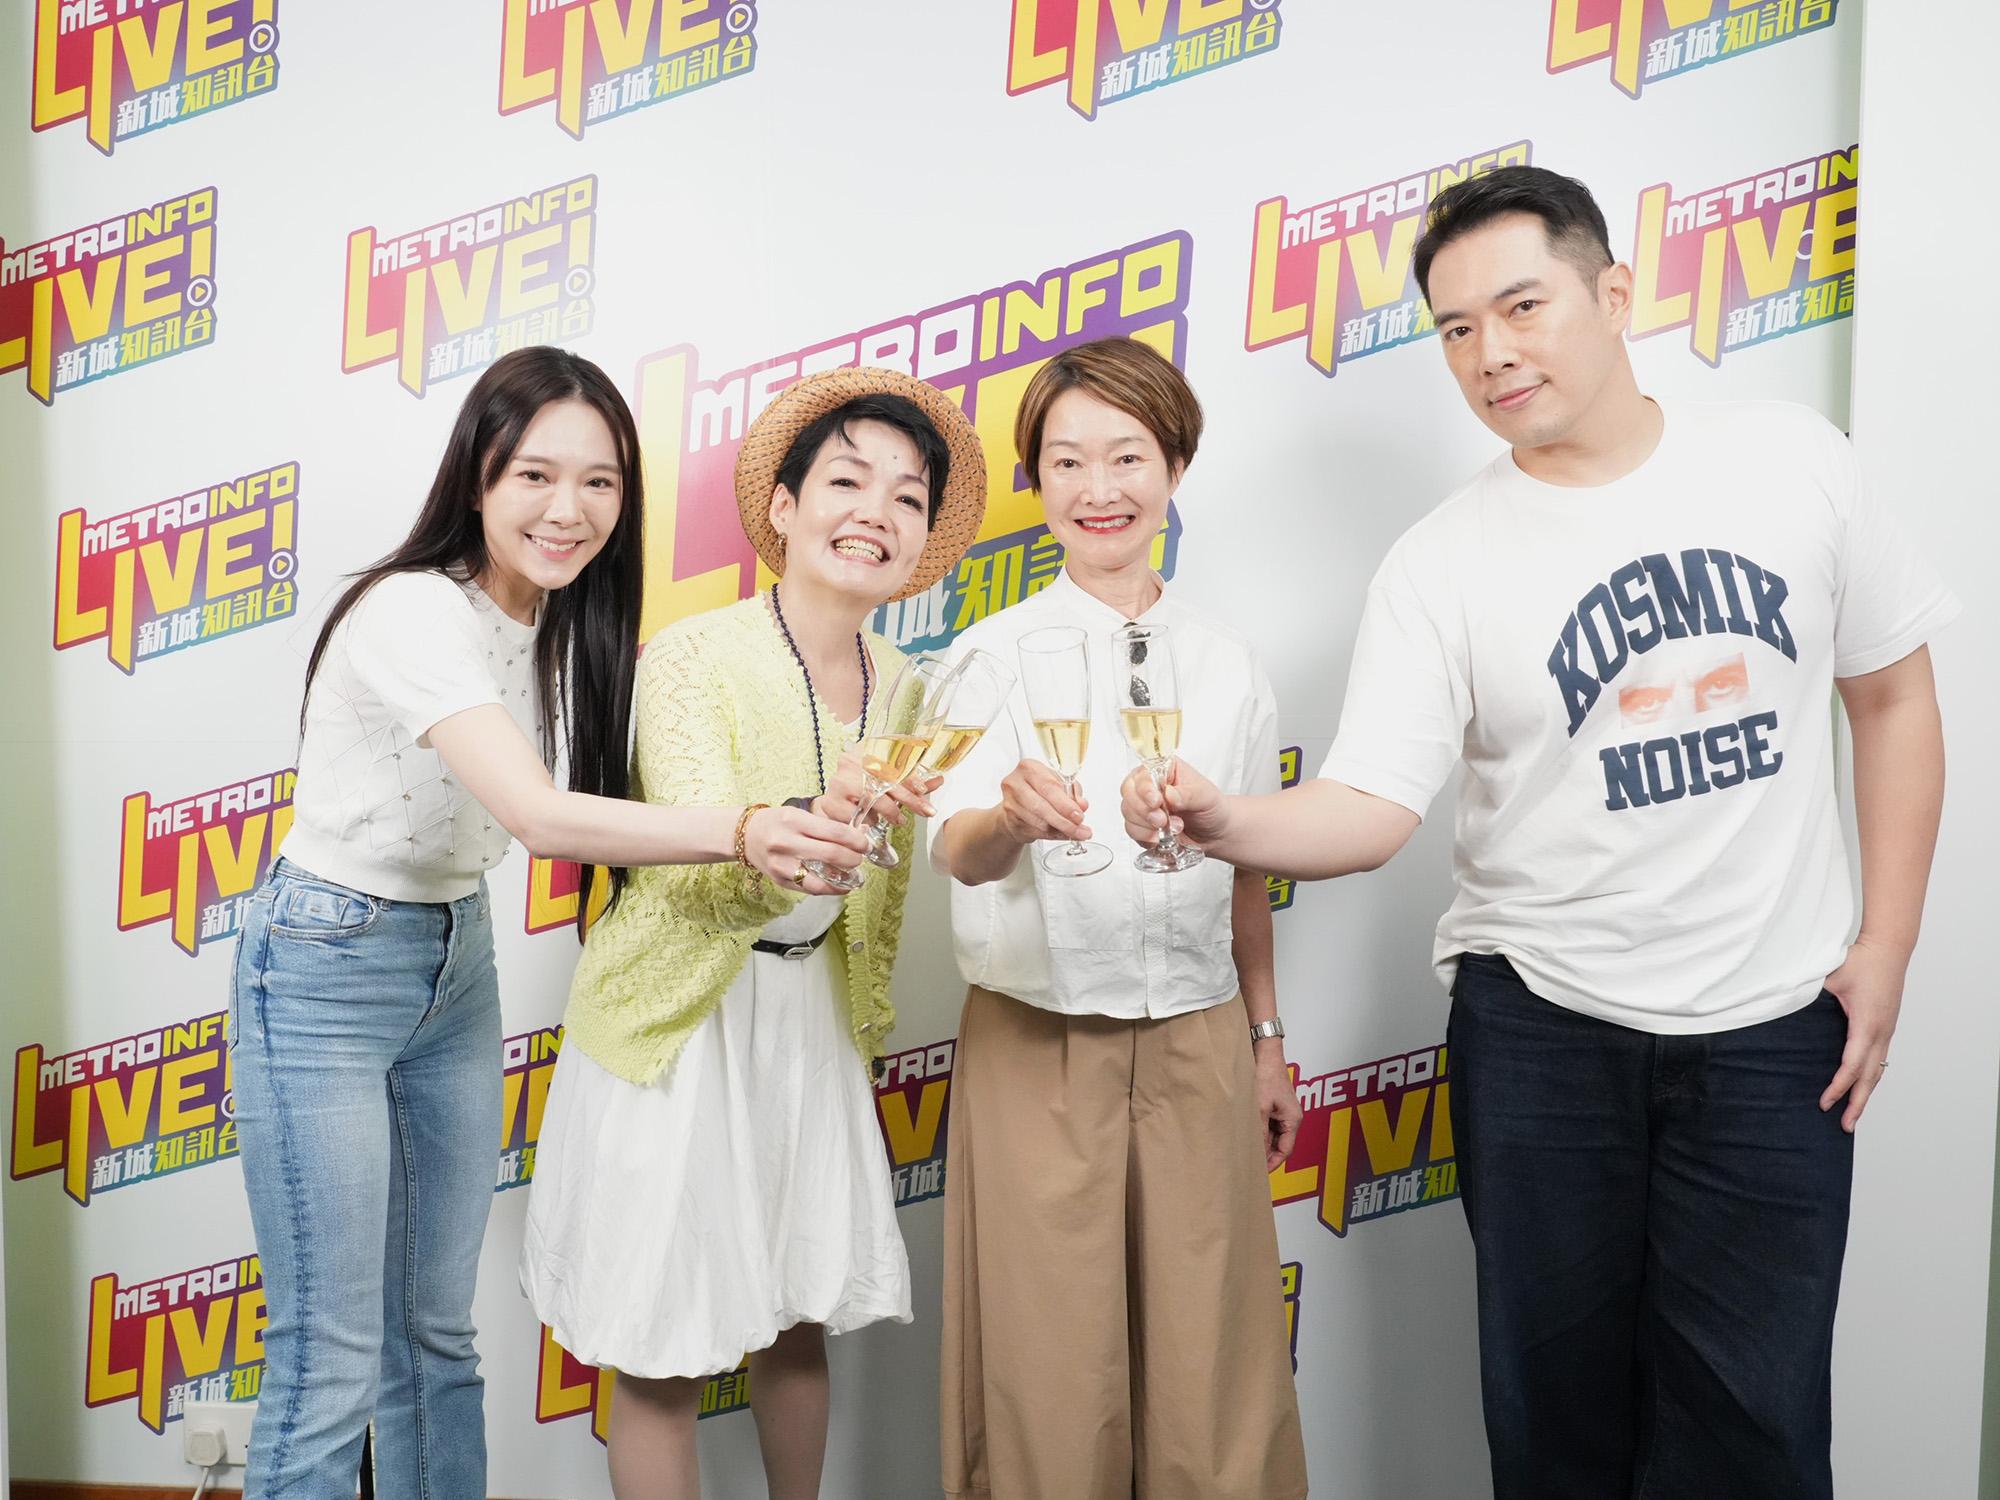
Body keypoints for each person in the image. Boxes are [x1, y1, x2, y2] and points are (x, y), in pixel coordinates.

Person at [1122, 167, 1958, 1499]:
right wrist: (1224, 817)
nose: (1491, 353)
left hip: (1773, 1025)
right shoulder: (1440, 563)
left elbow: (1894, 698)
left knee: (1758, 1426)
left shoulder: (1791, 462)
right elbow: (1368, 808)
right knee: (1554, 1426)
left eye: (1521, 307)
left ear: (1612, 293)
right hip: (1542, 1033)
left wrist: (1889, 945)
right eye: (1456, 329)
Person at [231, 347, 872, 1498]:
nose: (567, 509)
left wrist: (812, 817)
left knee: (435, 1334)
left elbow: (623, 808)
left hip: (452, 958)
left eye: (599, 482)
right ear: (476, 475)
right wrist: (744, 830)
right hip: (326, 961)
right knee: (331, 1352)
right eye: (534, 474)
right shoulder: (411, 610)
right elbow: (536, 816)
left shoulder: (565, 627)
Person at [520, 367, 987, 1500]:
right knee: (663, 1354)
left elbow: (883, 892)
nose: (875, 512)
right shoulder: (693, 657)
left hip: (809, 1024)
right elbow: (694, 868)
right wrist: (806, 825)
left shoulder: (913, 688)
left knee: (797, 1319)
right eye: (847, 482)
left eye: (907, 497)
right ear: (783, 506)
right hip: (683, 1028)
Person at [929, 336, 1307, 1500]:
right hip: (1035, 1046)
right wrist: (1009, 820)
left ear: (1174, 468)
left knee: (1213, 1370)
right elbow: (954, 850)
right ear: (1036, 482)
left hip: (1198, 1037)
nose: (1099, 489)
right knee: (1047, 1375)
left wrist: (1265, 1039)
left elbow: (1245, 873)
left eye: (1127, 456)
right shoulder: (984, 657)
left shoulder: (1229, 662)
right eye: (1066, 461)